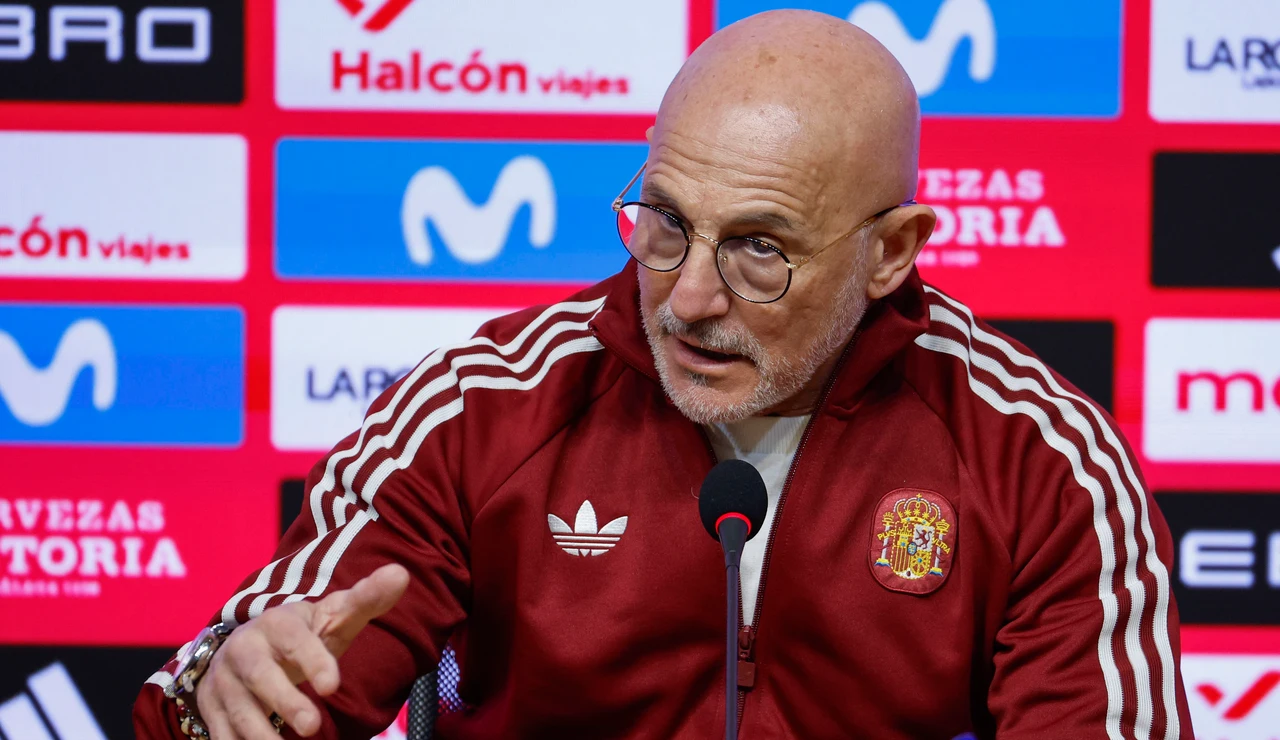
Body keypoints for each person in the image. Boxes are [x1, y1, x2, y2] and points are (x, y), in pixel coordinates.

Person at [134, 9, 1192, 739]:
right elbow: (247, 680)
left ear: (891, 249)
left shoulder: (1037, 458)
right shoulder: (484, 408)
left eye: (759, 248)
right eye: (667, 224)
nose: (687, 296)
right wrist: (235, 686)